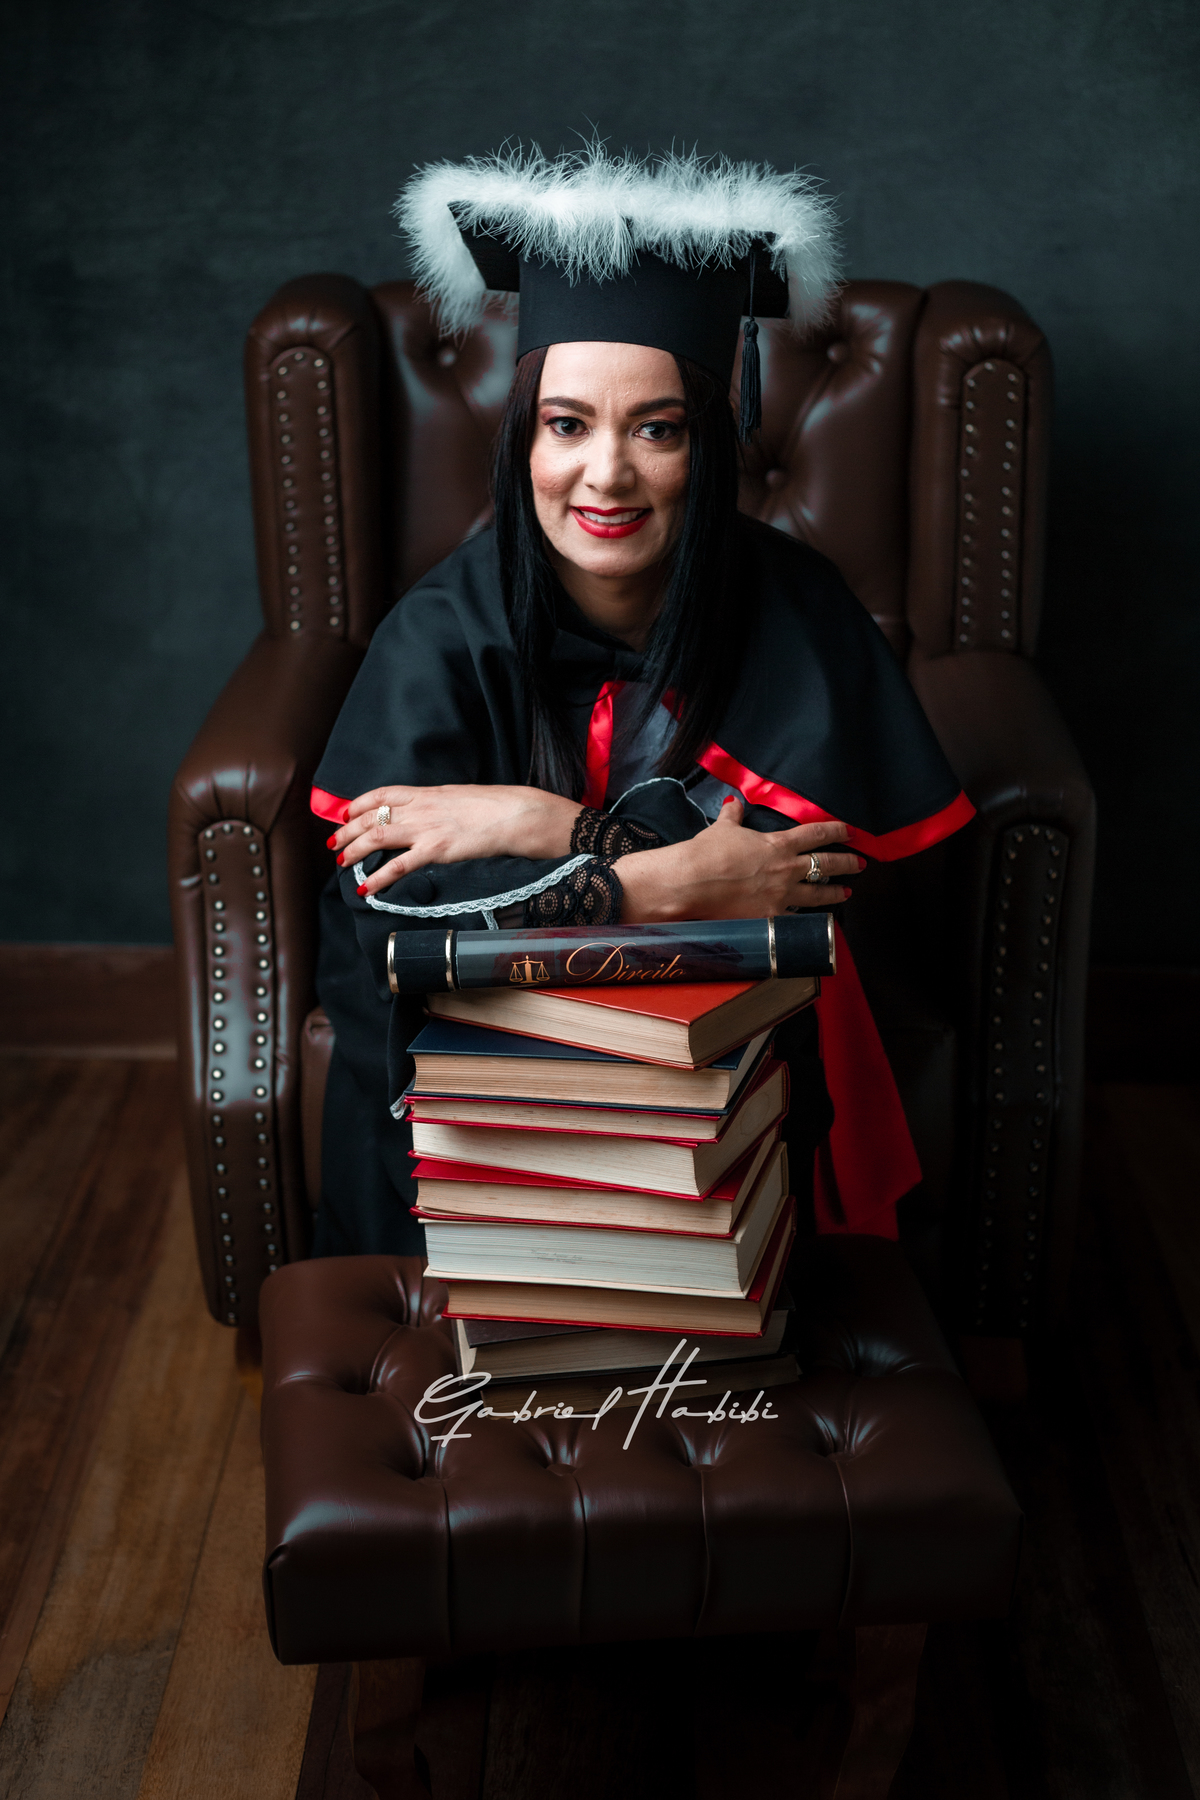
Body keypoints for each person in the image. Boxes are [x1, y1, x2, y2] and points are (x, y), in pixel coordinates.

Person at [309, 144, 973, 1259]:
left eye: (656, 428)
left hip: (729, 1080)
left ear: (709, 442)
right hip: (488, 1081)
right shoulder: (443, 629)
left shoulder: (798, 610)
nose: (606, 475)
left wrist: (543, 827)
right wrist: (656, 882)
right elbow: (385, 915)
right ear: (524, 438)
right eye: (566, 424)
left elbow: (808, 886)